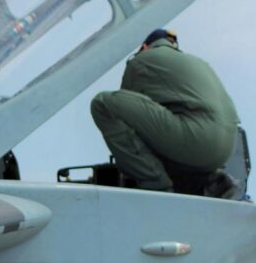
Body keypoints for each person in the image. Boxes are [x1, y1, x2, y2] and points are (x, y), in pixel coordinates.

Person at [91, 29, 239, 195]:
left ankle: (156, 185)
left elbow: (128, 118)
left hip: (195, 139)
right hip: (225, 151)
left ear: (145, 46)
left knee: (103, 104)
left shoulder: (142, 59)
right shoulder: (199, 63)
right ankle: (208, 183)